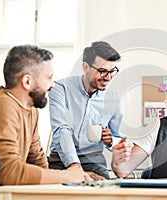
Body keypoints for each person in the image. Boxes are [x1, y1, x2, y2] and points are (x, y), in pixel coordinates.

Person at [0, 45, 101, 200]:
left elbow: (37, 161)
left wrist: (78, 177)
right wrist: (69, 176)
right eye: (49, 78)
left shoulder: (31, 110)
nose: (53, 84)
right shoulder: (2, 105)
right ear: (27, 81)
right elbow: (9, 172)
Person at [48, 41, 122, 179]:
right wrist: (74, 166)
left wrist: (110, 141)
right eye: (102, 71)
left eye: (112, 71)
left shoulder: (114, 100)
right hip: (59, 160)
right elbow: (61, 129)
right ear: (85, 67)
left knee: (106, 191)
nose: (108, 77)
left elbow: (119, 138)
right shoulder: (60, 88)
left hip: (94, 161)